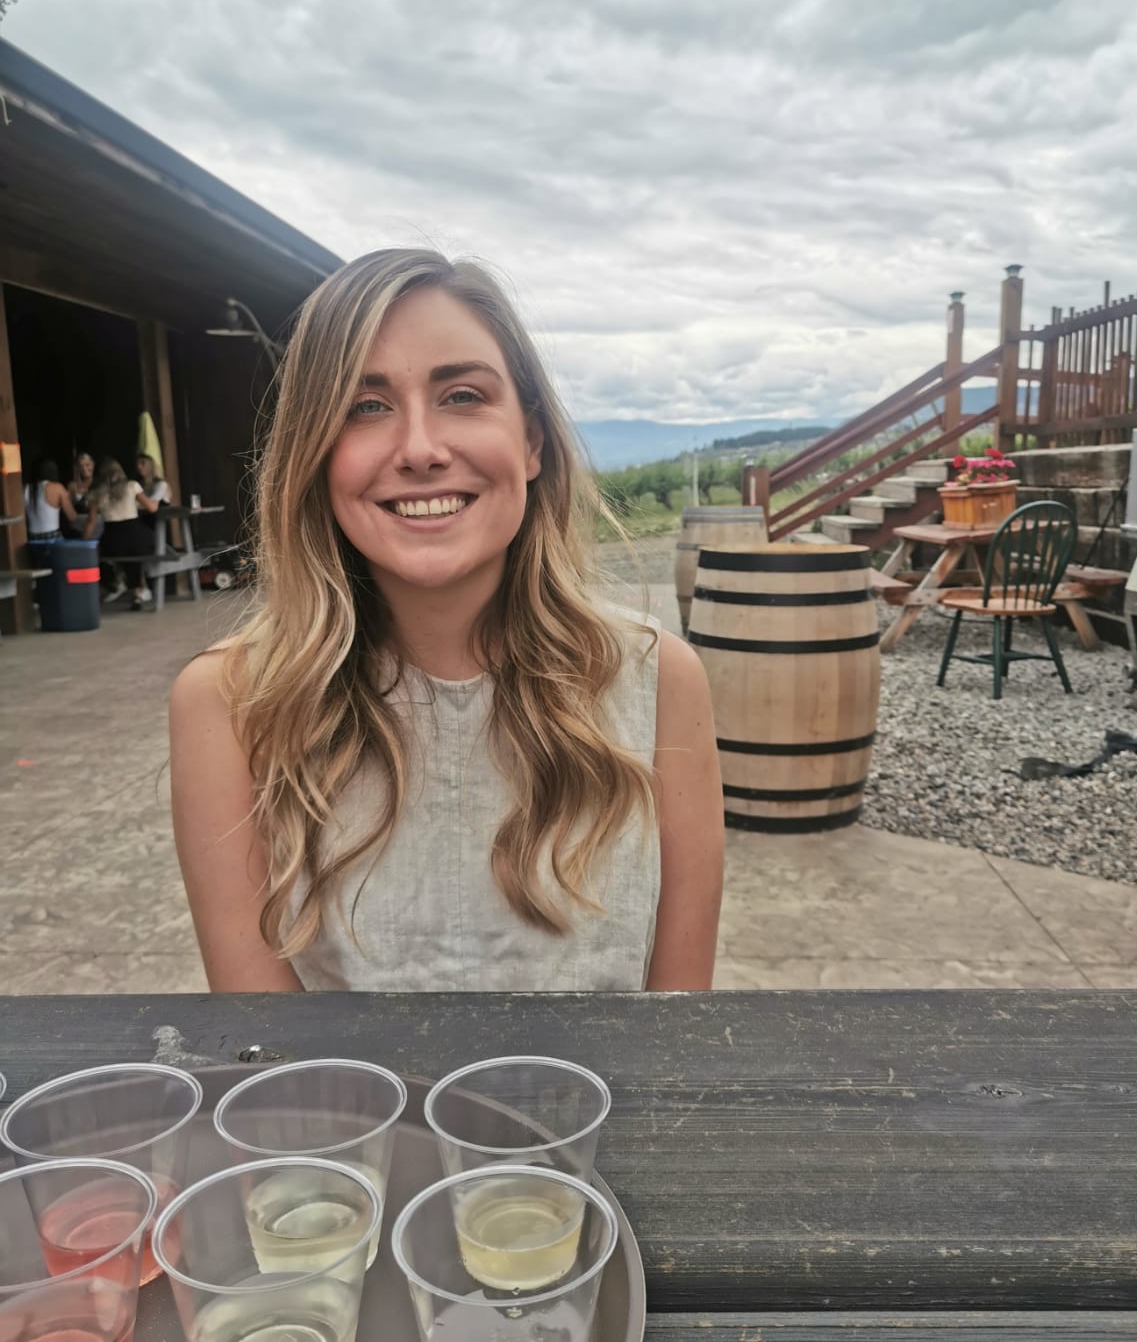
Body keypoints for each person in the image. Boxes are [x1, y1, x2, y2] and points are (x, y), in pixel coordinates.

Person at [170, 248, 724, 994]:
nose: (421, 450)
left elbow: (675, 1028)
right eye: (364, 407)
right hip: (344, 1116)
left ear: (531, 442)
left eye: (463, 395)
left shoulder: (658, 680)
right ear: (314, 454)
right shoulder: (230, 703)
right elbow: (267, 1061)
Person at [93, 457, 158, 606]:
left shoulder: (97, 494)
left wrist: (83, 543)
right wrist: (156, 501)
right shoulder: (132, 486)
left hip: (111, 543)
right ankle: (137, 591)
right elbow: (152, 508)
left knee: (113, 553)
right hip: (135, 538)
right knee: (138, 546)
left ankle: (119, 580)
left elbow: (91, 522)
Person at [24, 458, 94, 541]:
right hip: (53, 537)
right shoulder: (57, 488)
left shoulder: (25, 488)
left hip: (32, 538)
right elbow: (72, 517)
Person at [134, 454, 172, 530]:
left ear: (150, 465)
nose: (139, 467)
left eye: (142, 463)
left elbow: (151, 505)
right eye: (137, 464)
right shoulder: (139, 485)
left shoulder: (161, 484)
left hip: (157, 528)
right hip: (141, 525)